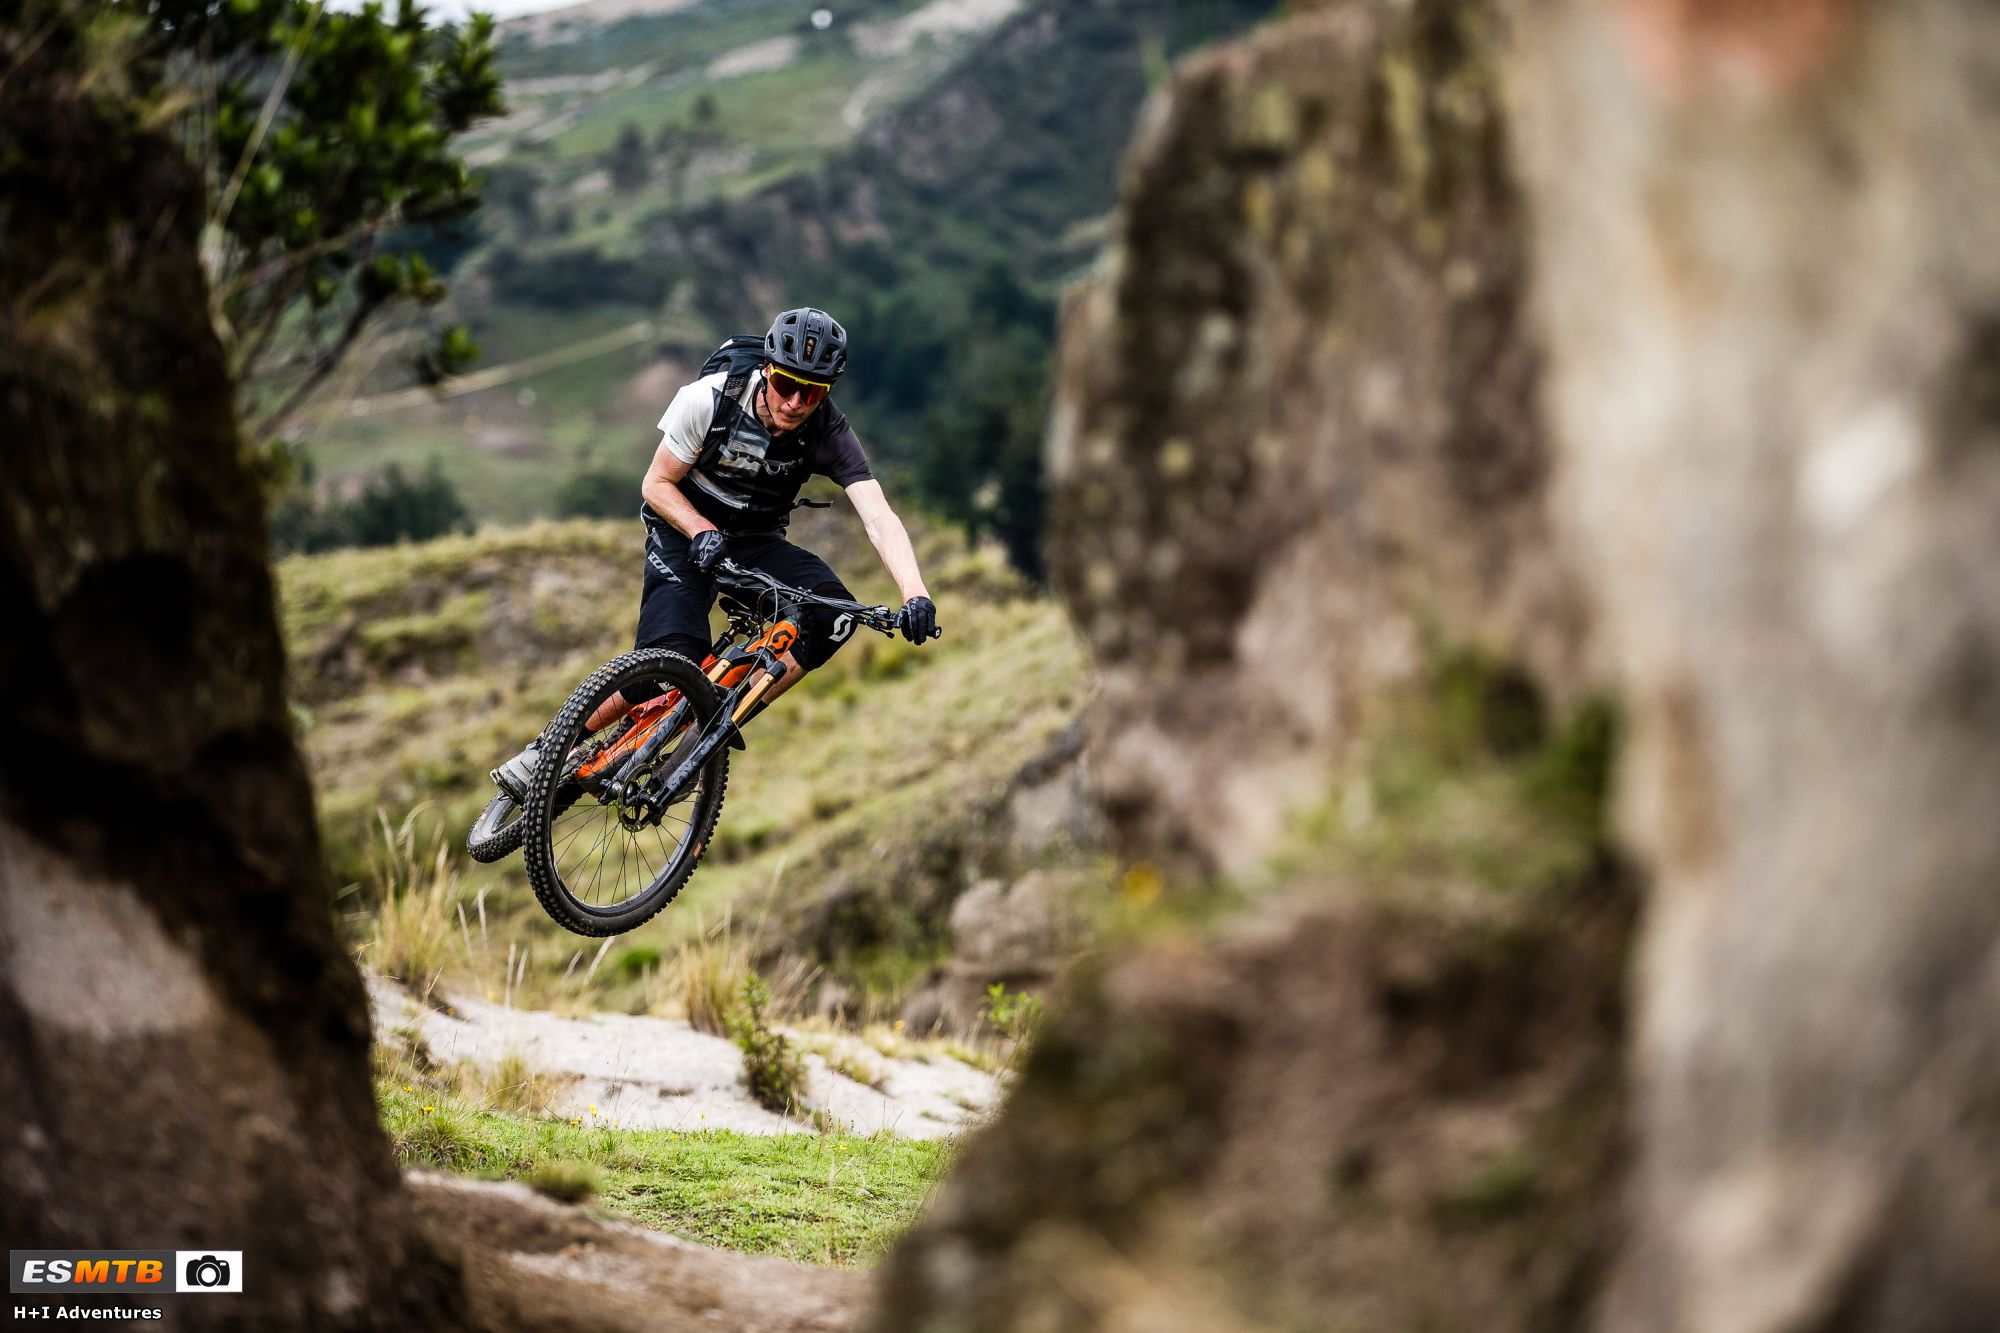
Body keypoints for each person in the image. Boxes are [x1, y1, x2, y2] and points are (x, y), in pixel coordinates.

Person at [491, 307, 936, 798]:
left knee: (834, 616)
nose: (795, 403)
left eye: (812, 392)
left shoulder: (828, 431)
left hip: (755, 540)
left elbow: (878, 517)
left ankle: (707, 735)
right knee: (668, 661)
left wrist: (914, 592)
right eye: (786, 384)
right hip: (682, 528)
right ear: (768, 369)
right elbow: (656, 484)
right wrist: (701, 530)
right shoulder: (709, 399)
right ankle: (547, 751)